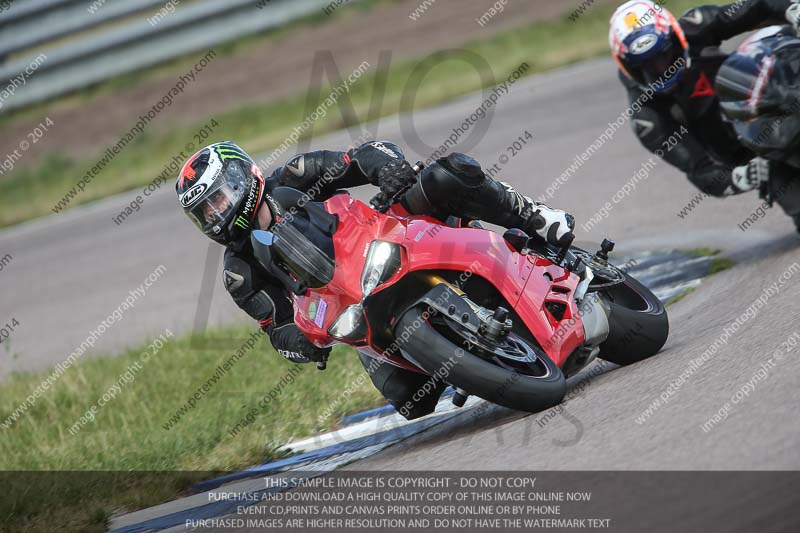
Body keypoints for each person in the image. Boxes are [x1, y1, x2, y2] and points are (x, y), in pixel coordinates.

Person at [175, 140, 576, 419]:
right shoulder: (239, 271)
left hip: (387, 234)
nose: (216, 214)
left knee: (442, 175)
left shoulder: (294, 176)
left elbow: (361, 156)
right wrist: (306, 343)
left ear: (242, 177)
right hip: (353, 305)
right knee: (409, 401)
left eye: (218, 198)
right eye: (205, 212)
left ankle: (533, 215)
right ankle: (469, 355)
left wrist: (388, 169)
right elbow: (275, 327)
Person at [609, 0, 800, 228]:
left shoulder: (696, 26)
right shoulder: (648, 119)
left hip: (771, 99)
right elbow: (701, 172)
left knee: (776, 37)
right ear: (626, 67)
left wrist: (792, 9)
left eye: (665, 56)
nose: (661, 69)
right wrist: (745, 175)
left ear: (677, 37)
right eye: (647, 67)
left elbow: (759, 6)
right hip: (752, 155)